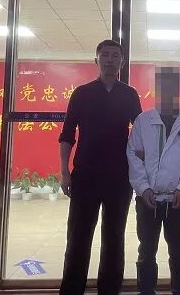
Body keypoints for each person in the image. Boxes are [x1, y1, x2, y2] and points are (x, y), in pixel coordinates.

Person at [59, 39, 142, 295]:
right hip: (85, 175)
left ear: (122, 61)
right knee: (78, 237)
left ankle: (110, 290)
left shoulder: (129, 94)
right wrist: (64, 171)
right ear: (96, 60)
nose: (110, 60)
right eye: (104, 55)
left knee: (114, 237)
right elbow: (67, 135)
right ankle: (71, 290)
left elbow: (141, 134)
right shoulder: (82, 93)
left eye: (115, 55)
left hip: (119, 177)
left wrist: (141, 173)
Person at [127, 67, 180, 295]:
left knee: (178, 250)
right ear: (157, 89)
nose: (168, 92)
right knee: (146, 250)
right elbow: (133, 156)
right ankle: (146, 291)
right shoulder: (143, 120)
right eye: (164, 87)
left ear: (179, 90)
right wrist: (143, 188)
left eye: (173, 87)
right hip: (147, 199)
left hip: (178, 200)